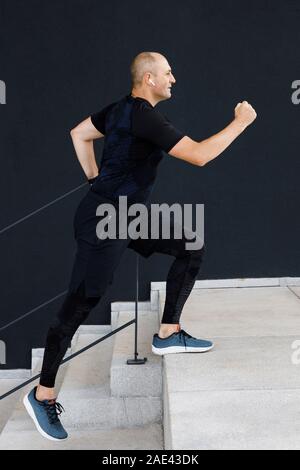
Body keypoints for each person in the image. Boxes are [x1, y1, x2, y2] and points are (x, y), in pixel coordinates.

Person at [23, 51, 257, 441]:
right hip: (104, 222)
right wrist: (240, 123)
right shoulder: (146, 116)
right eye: (167, 73)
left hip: (124, 217)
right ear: (148, 79)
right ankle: (42, 393)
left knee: (189, 242)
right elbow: (199, 156)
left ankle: (169, 332)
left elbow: (78, 134)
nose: (173, 79)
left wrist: (94, 179)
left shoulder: (118, 110)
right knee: (80, 302)